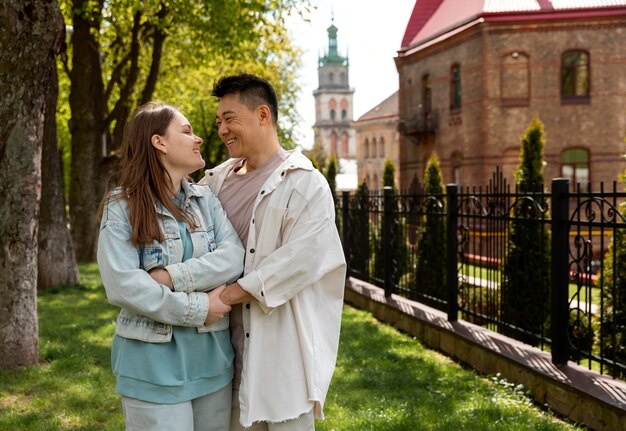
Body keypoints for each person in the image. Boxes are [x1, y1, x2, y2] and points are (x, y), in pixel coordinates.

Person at [199, 74, 346, 430]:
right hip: (221, 360)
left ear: (263, 115)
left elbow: (298, 262)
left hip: (283, 361)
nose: (222, 129)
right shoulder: (213, 183)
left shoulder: (305, 183)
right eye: (219, 121)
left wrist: (224, 296)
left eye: (230, 118)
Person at [97, 102, 245, 431]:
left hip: (212, 365)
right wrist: (199, 307)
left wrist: (171, 277)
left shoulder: (206, 200)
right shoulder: (121, 207)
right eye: (187, 131)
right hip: (150, 368)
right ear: (159, 142)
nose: (199, 139)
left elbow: (234, 256)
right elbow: (124, 286)